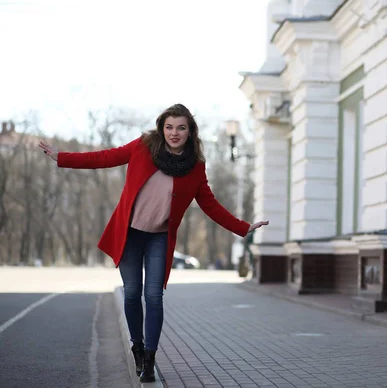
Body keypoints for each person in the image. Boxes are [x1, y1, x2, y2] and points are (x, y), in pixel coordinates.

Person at [38, 104, 268, 383]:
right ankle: (136, 346)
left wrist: (243, 228)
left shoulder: (195, 166)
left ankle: (149, 357)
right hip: (131, 233)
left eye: (181, 127)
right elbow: (104, 157)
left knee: (154, 296)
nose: (174, 133)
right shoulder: (143, 147)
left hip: (159, 237)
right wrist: (62, 157)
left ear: (190, 131)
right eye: (169, 127)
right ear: (162, 128)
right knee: (132, 293)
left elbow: (210, 204)